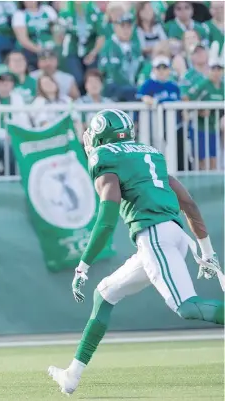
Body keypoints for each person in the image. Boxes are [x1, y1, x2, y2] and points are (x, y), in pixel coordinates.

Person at [48, 109, 224, 395]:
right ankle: (72, 375)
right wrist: (206, 250)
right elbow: (188, 203)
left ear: (99, 136)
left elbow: (106, 221)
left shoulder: (104, 158)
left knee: (187, 306)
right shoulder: (149, 153)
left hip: (154, 235)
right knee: (104, 294)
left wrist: (83, 266)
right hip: (172, 235)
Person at [56, 1, 105, 92]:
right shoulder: (65, 13)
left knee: (93, 78)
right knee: (77, 79)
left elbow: (101, 35)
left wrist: (93, 53)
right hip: (72, 51)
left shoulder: (94, 11)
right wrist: (59, 30)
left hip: (91, 50)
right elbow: (59, 37)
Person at [186, 58, 224, 171]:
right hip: (200, 128)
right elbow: (186, 98)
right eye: (213, 69)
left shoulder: (223, 86)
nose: (216, 72)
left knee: (213, 161)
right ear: (209, 70)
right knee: (202, 161)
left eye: (219, 69)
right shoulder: (203, 84)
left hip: (214, 128)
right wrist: (199, 111)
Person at [99, 13, 144, 101]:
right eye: (122, 26)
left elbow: (141, 67)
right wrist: (132, 86)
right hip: (113, 87)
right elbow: (112, 72)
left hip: (132, 87)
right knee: (131, 92)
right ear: (115, 27)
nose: (126, 30)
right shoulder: (109, 46)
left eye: (129, 27)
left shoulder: (135, 46)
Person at [11, 1, 58, 70]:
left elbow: (56, 31)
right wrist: (39, 50)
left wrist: (53, 44)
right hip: (30, 49)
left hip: (50, 46)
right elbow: (23, 39)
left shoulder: (47, 10)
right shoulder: (19, 14)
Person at [75, 69, 111, 136]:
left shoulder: (109, 103)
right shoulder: (79, 103)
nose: (94, 85)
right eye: (91, 82)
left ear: (102, 85)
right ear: (86, 85)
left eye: (97, 81)